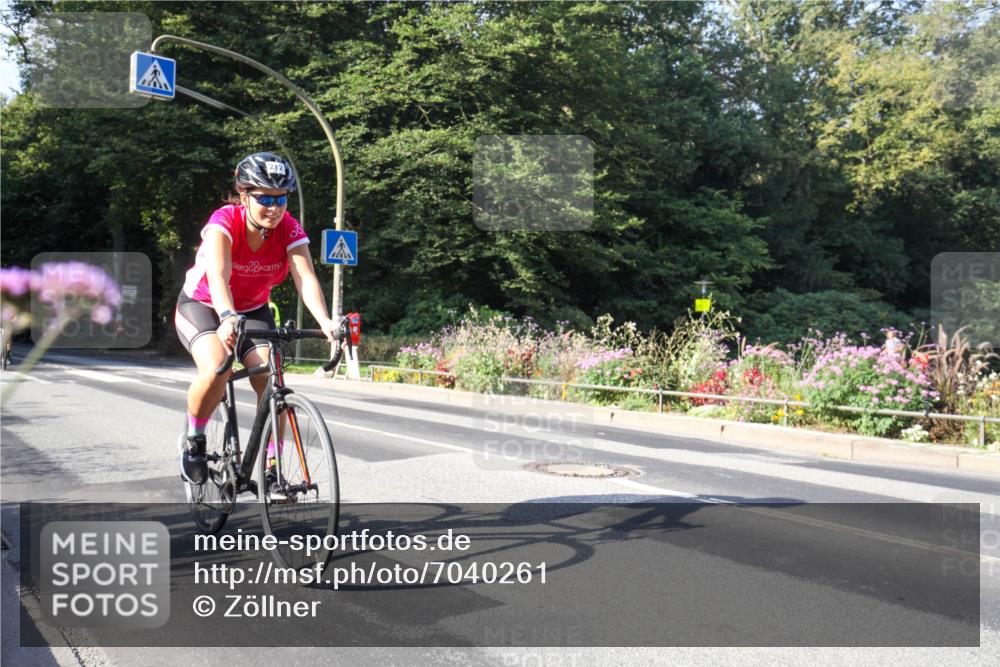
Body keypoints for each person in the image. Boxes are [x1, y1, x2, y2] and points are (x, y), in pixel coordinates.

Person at [174, 152, 337, 490]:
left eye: (281, 198)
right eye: (265, 198)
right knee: (217, 365)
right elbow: (218, 276)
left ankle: (273, 468)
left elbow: (305, 278)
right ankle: (194, 440)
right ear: (244, 195)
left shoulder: (288, 228)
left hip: (253, 309)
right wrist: (226, 316)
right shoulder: (224, 222)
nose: (274, 207)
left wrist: (325, 321)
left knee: (269, 376)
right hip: (203, 304)